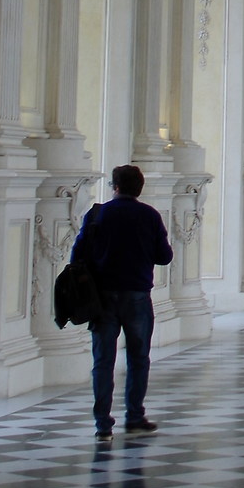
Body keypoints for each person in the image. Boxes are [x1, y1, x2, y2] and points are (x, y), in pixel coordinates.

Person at [71, 163, 173, 446]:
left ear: (114, 187)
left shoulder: (98, 214)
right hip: (137, 295)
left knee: (103, 361)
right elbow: (164, 256)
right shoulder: (149, 216)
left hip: (102, 297)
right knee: (139, 358)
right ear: (138, 188)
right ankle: (135, 416)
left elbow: (77, 254)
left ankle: (103, 424)